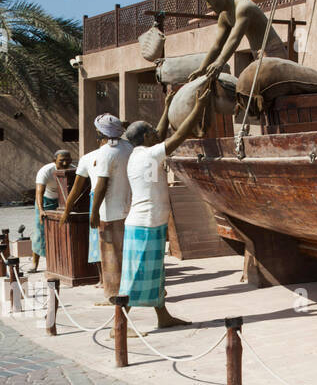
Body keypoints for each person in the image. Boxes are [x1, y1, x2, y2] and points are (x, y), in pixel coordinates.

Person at [117, 86, 211, 329]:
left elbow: (157, 132)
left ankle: (163, 317)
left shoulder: (140, 152)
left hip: (150, 222)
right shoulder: (149, 155)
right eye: (151, 131)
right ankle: (118, 326)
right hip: (145, 223)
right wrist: (199, 106)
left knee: (156, 275)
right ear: (146, 137)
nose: (156, 132)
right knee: (136, 275)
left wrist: (168, 105)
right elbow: (178, 136)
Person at [186, 0, 283, 83]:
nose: (208, 6)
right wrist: (202, 68)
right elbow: (217, 46)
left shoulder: (244, 7)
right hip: (257, 54)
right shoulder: (224, 16)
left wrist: (220, 61)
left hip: (273, 52)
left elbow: (235, 38)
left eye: (209, 1)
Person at [61, 114, 125, 266]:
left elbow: (77, 188)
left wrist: (66, 211)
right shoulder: (128, 150)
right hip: (126, 202)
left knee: (101, 243)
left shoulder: (92, 157)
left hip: (101, 204)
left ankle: (105, 281)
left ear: (99, 134)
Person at [87, 115, 134, 304]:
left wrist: (94, 211)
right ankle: (126, 292)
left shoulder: (106, 152)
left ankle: (113, 295)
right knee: (125, 254)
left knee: (111, 256)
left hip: (110, 212)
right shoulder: (129, 148)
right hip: (128, 208)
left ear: (101, 132)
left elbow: (101, 184)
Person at [32, 150, 73, 272]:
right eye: (61, 160)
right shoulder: (45, 171)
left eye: (68, 160)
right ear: (54, 161)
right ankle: (35, 264)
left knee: (64, 231)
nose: (65, 163)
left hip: (64, 201)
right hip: (46, 200)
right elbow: (39, 192)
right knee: (40, 231)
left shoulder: (74, 170)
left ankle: (61, 263)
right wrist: (41, 210)